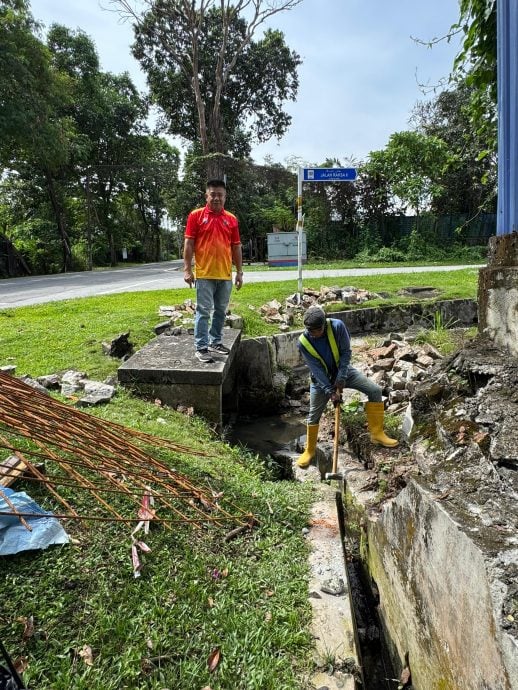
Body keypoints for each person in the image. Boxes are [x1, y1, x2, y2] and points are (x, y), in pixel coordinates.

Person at [297, 305, 398, 468]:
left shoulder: (337, 327)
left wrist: (341, 378)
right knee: (313, 415)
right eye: (310, 330)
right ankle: (309, 450)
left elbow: (346, 353)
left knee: (375, 390)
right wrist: (331, 392)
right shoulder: (303, 342)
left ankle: (377, 433)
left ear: (324, 324)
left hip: (344, 371)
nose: (313, 334)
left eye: (317, 330)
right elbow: (316, 370)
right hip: (320, 381)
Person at [183, 179, 243, 363]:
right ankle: (201, 347)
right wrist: (187, 269)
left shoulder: (231, 219)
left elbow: (236, 246)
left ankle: (215, 341)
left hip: (225, 274)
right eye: (213, 194)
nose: (217, 198)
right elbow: (189, 243)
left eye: (220, 195)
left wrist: (239, 272)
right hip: (204, 274)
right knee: (203, 311)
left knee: (221, 311)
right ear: (206, 196)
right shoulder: (196, 216)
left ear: (225, 197)